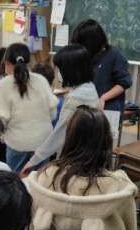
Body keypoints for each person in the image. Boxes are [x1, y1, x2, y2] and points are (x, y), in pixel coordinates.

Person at [23, 44, 100, 172]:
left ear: (71, 69)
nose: (58, 73)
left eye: (60, 69)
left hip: (74, 158)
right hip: (87, 156)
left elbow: (59, 133)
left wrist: (34, 159)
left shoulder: (76, 97)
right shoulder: (89, 87)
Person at [0, 43, 58, 172]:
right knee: (39, 179)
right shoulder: (41, 80)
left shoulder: (2, 85)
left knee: (15, 180)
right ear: (28, 61)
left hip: (17, 143)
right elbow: (53, 113)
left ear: (7, 63)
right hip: (43, 142)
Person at [71, 19, 132, 111]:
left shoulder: (114, 55)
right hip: (86, 106)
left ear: (92, 42)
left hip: (108, 108)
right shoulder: (86, 55)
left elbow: (124, 83)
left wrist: (103, 98)